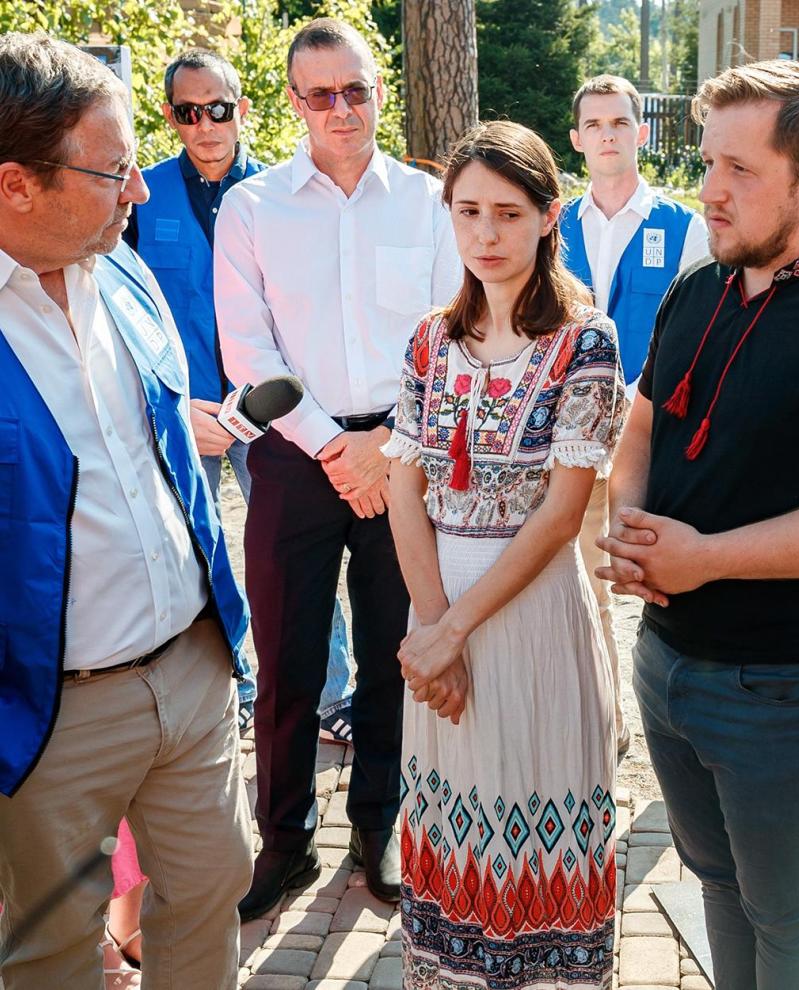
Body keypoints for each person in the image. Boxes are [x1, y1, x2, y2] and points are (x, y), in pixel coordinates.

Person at [597, 60, 799, 990]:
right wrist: (631, 526)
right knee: (715, 881)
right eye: (708, 162)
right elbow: (642, 424)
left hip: (788, 688)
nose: (709, 190)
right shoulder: (699, 288)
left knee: (785, 911)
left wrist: (706, 558)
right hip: (668, 662)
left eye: (741, 170)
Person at [0, 32, 252, 989]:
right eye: (112, 172)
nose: (141, 190)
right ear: (16, 184)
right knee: (56, 949)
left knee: (209, 893)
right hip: (48, 718)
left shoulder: (125, 272)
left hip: (191, 674)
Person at [214, 17, 462, 918]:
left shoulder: (427, 202)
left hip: (403, 450)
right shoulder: (252, 208)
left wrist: (387, 445)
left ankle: (380, 826)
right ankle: (283, 845)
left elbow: (448, 335)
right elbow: (248, 350)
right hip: (290, 456)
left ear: (379, 89)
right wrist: (332, 446)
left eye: (355, 89)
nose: (340, 109)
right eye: (320, 94)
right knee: (285, 662)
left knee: (395, 652)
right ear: (293, 102)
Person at [384, 120, 625, 989]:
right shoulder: (424, 340)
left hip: (531, 615)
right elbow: (403, 491)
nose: (485, 235)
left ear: (547, 216)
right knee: (457, 823)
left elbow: (564, 515)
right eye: (468, 211)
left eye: (508, 214)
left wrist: (455, 631)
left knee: (537, 804)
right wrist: (433, 629)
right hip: (437, 608)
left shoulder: (584, 341)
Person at [128, 46, 357, 741]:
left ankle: (332, 694)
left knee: (296, 553)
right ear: (172, 119)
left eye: (218, 108)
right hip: (185, 414)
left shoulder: (286, 195)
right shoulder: (141, 196)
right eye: (189, 112)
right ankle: (235, 687)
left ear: (244, 109)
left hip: (270, 411)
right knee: (194, 552)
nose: (205, 124)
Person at [560, 73, 707, 759]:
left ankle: (689, 736)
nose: (608, 135)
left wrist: (639, 396)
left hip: (655, 444)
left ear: (641, 133)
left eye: (620, 122)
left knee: (663, 590)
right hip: (571, 445)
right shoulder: (553, 223)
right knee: (583, 588)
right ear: (577, 138)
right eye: (594, 125)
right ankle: (605, 729)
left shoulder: (684, 227)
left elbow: (703, 334)